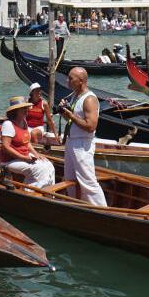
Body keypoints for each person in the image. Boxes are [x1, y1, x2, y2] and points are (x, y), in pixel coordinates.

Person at [58, 66, 107, 206]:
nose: (67, 81)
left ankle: (102, 210)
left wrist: (71, 116)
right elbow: (73, 119)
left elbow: (91, 127)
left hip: (82, 145)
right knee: (70, 178)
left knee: (88, 181)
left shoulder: (89, 99)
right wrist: (65, 113)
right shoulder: (74, 96)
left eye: (71, 78)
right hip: (71, 142)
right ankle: (76, 205)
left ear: (81, 81)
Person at [0, 97, 56, 187]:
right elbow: (6, 147)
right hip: (10, 160)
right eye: (23, 108)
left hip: (24, 156)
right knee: (39, 169)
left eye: (26, 108)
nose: (26, 110)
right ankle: (32, 190)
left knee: (49, 165)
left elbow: (27, 142)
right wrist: (23, 158)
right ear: (16, 111)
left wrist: (36, 154)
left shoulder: (24, 121)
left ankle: (47, 191)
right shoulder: (8, 124)